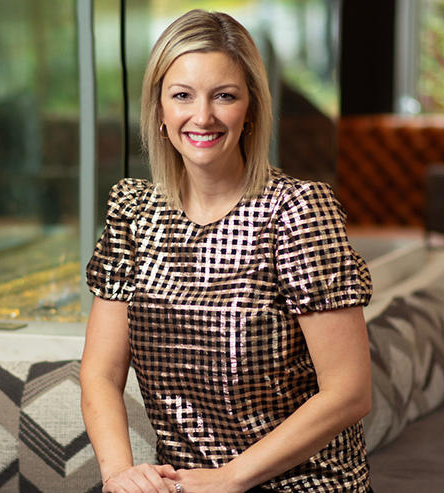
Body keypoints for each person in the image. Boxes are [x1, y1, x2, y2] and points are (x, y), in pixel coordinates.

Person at [80, 9, 373, 493]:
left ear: (251, 108)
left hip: (302, 483)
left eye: (225, 96)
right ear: (158, 110)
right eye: (182, 96)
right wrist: (119, 475)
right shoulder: (133, 212)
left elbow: (349, 393)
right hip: (182, 485)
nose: (203, 117)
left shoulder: (297, 212)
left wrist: (230, 479)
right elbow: (101, 373)